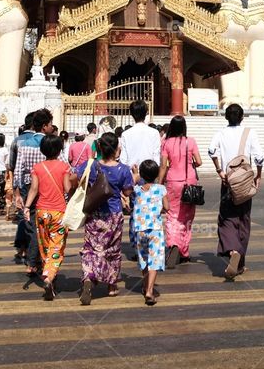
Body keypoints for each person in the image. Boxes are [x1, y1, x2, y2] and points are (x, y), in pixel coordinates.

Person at [77, 132, 134, 305]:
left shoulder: (91, 165)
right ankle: (111, 286)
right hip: (114, 214)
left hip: (94, 213)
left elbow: (78, 179)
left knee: (91, 248)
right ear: (117, 148)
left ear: (100, 148)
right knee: (112, 250)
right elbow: (127, 191)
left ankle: (88, 278)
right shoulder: (123, 169)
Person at [209, 104, 263, 280]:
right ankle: (240, 261)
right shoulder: (250, 133)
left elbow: (211, 151)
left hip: (228, 181)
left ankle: (232, 250)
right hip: (245, 182)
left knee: (226, 218)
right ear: (242, 117)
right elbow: (259, 158)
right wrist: (258, 176)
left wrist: (220, 171)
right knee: (243, 219)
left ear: (226, 117)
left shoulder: (220, 133)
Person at [23, 134, 75, 300]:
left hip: (41, 212)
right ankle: (48, 276)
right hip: (59, 212)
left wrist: (26, 207)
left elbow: (34, 189)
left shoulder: (37, 167)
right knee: (56, 248)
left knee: (45, 247)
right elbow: (67, 189)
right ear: (60, 149)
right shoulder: (64, 167)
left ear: (42, 149)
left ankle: (49, 277)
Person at [13, 109, 58, 274]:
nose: (52, 127)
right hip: (47, 188)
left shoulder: (24, 144)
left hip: (27, 188)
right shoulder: (51, 143)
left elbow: (18, 171)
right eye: (51, 124)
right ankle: (41, 260)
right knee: (48, 225)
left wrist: (17, 194)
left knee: (32, 226)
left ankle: (32, 262)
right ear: (45, 126)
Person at [158, 115, 201, 268]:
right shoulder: (191, 141)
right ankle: (184, 251)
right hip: (189, 182)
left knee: (172, 215)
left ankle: (173, 243)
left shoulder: (166, 142)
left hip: (173, 182)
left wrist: (159, 183)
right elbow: (199, 161)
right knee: (187, 217)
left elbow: (163, 166)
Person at [119, 100, 161, 254]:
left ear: (132, 114)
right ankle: (151, 240)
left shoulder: (126, 134)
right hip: (150, 173)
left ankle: (137, 242)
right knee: (151, 208)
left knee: (136, 209)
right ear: (146, 113)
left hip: (133, 175)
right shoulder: (154, 132)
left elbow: (123, 159)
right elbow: (157, 156)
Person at [131, 158, 168, 306]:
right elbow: (168, 206)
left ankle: (145, 285)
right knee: (155, 259)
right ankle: (149, 291)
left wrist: (135, 176)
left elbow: (128, 190)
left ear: (142, 175)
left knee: (144, 259)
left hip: (139, 229)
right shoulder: (161, 189)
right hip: (155, 229)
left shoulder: (136, 190)